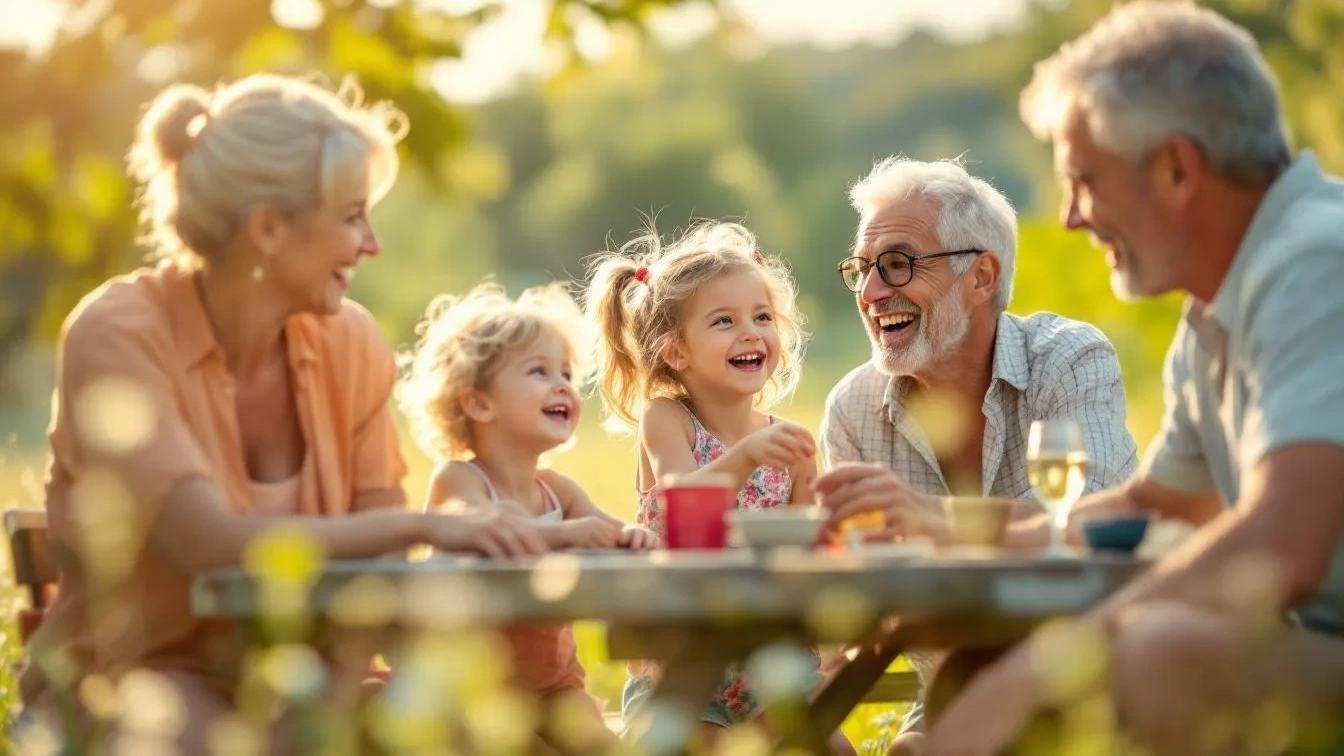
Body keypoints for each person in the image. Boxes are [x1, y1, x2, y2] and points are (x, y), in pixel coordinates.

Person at [15, 74, 549, 754]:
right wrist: (428, 523)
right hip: (136, 689)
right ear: (268, 227)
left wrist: (324, 701)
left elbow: (378, 570)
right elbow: (207, 546)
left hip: (312, 682)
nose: (372, 242)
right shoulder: (119, 333)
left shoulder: (349, 341)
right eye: (352, 215)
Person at [923, 3, 1344, 754]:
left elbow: (1282, 544)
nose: (1072, 218)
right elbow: (1159, 507)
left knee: (1157, 654)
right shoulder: (1215, 311)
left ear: (1177, 168)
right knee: (985, 661)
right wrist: (949, 538)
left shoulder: (1317, 261)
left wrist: (1040, 672)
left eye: (1083, 181)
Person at [812, 156, 1145, 747]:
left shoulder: (1068, 360)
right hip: (950, 700)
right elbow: (870, 594)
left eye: (897, 265)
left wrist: (930, 522)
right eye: (861, 269)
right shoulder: (852, 409)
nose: (869, 291)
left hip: (1091, 688)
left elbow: (1090, 520)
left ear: (982, 278)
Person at [583, 221, 853, 754]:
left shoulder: (786, 442)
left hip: (773, 665)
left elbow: (817, 544)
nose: (750, 333)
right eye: (723, 321)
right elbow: (684, 501)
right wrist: (745, 457)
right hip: (683, 665)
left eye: (762, 317)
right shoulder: (667, 419)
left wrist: (841, 526)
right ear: (675, 352)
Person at [397, 280, 656, 753]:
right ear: (478, 402)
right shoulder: (462, 480)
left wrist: (634, 536)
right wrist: (570, 534)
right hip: (473, 692)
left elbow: (612, 531)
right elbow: (480, 529)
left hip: (556, 687)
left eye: (565, 374)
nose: (561, 385)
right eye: (538, 371)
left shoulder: (557, 489)